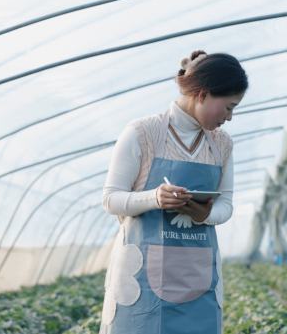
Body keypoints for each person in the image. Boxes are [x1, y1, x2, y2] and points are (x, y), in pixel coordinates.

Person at [99, 50, 248, 334]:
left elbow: (226, 205)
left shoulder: (222, 145)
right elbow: (111, 199)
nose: (230, 117)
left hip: (198, 278)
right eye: (228, 107)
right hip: (141, 280)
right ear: (203, 94)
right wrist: (154, 197)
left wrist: (205, 213)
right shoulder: (143, 133)